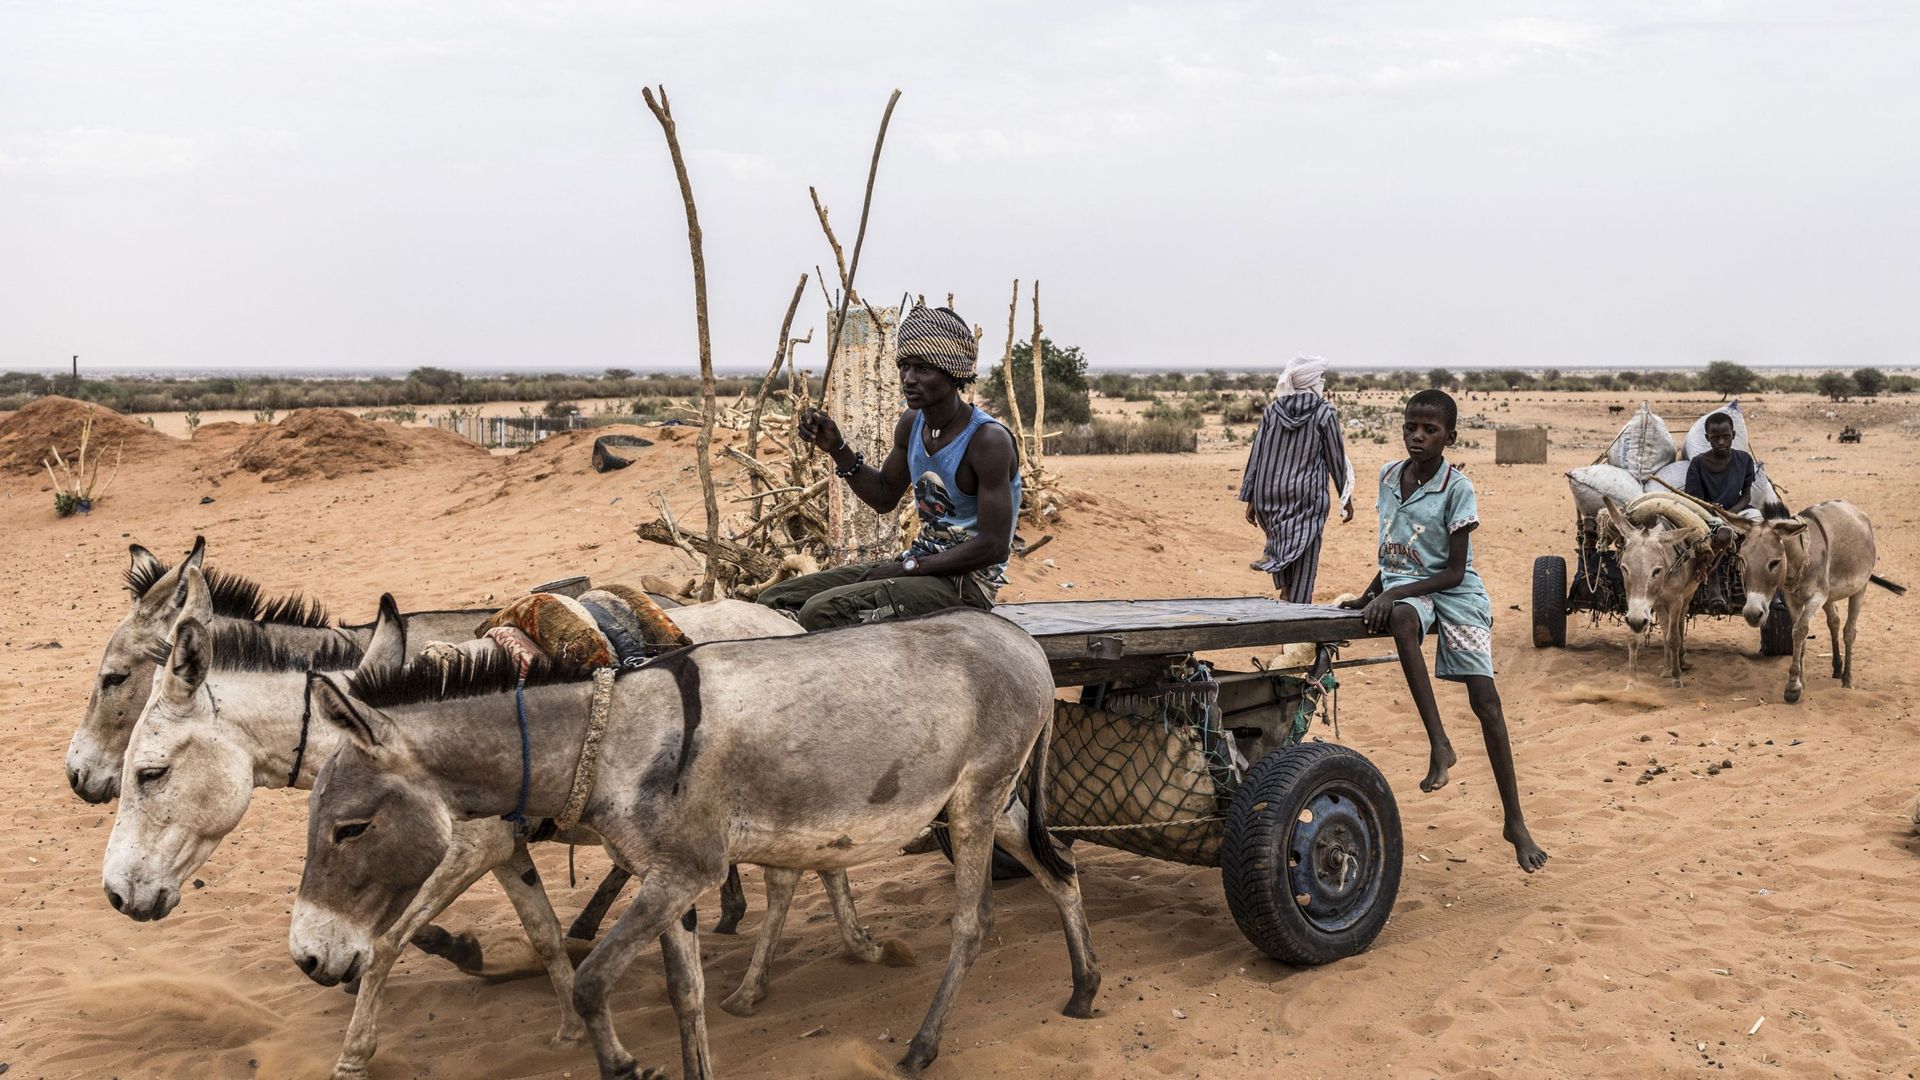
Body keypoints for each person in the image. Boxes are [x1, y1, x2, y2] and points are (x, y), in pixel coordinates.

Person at [1341, 389, 1549, 874]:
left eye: (1429, 429)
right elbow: (1392, 548)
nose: (1417, 436)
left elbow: (1455, 573)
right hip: (1409, 594)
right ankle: (1440, 744)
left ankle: (1514, 821)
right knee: (1401, 619)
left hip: (1456, 593)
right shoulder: (1389, 477)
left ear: (1449, 437)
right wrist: (1373, 592)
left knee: (1486, 702)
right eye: (1411, 426)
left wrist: (1392, 593)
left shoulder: (1458, 489)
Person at [759, 302, 1021, 630]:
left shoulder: (987, 440)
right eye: (904, 366)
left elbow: (993, 546)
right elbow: (884, 496)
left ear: (953, 374)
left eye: (923, 368)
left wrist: (907, 568)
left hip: (965, 587)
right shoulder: (912, 423)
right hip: (920, 566)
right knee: (775, 600)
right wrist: (837, 448)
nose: (908, 379)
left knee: (820, 612)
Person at [1238, 354, 1353, 603]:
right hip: (1307, 498)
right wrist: (1346, 497)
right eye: (1320, 378)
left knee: (1281, 543)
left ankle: (1285, 589)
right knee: (1306, 556)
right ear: (1312, 381)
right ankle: (1296, 621)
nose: (1322, 382)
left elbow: (1256, 454)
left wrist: (1250, 499)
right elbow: (1336, 458)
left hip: (1268, 497)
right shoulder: (1325, 412)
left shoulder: (1273, 410)